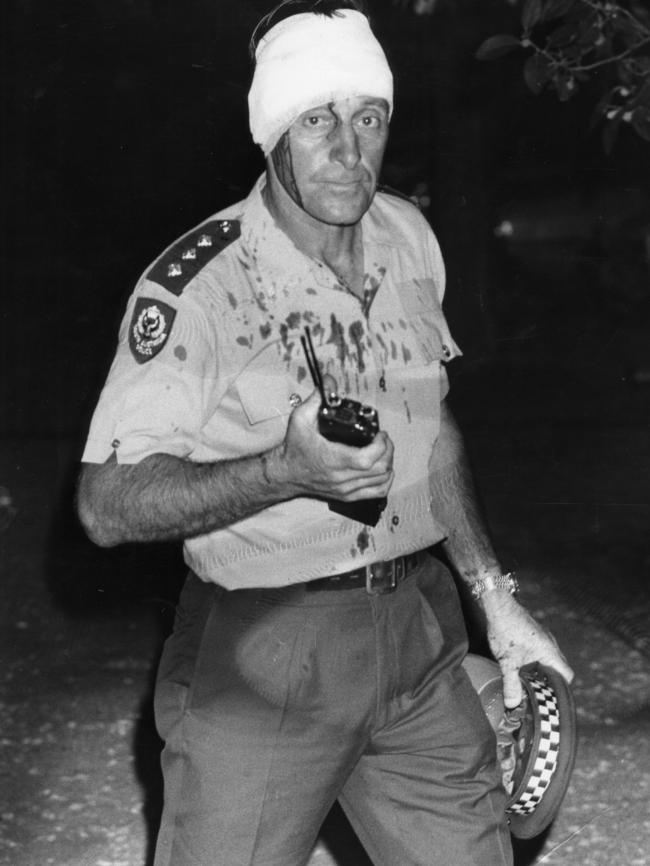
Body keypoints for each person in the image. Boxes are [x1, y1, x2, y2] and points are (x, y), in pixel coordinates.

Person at [77, 3, 574, 864]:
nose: (349, 151)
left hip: (418, 638)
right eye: (317, 120)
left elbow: (433, 425)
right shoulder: (199, 286)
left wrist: (495, 598)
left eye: (368, 117)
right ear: (272, 134)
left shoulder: (408, 236)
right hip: (265, 654)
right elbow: (106, 506)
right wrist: (283, 471)